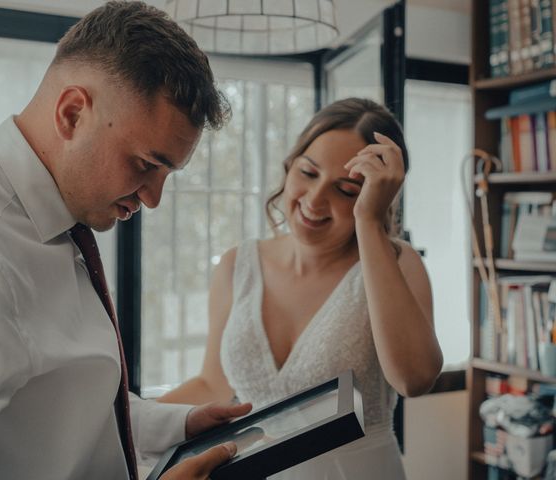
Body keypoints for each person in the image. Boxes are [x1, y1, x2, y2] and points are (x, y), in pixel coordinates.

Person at [0, 2, 252, 480]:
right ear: (73, 113)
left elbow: (56, 405)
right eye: (145, 164)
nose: (154, 199)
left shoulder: (55, 220)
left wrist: (177, 423)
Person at [159, 97, 444, 479]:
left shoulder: (396, 262)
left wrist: (370, 223)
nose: (314, 200)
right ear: (290, 165)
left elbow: (414, 379)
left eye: (346, 189)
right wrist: (125, 421)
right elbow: (213, 384)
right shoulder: (237, 265)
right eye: (308, 173)